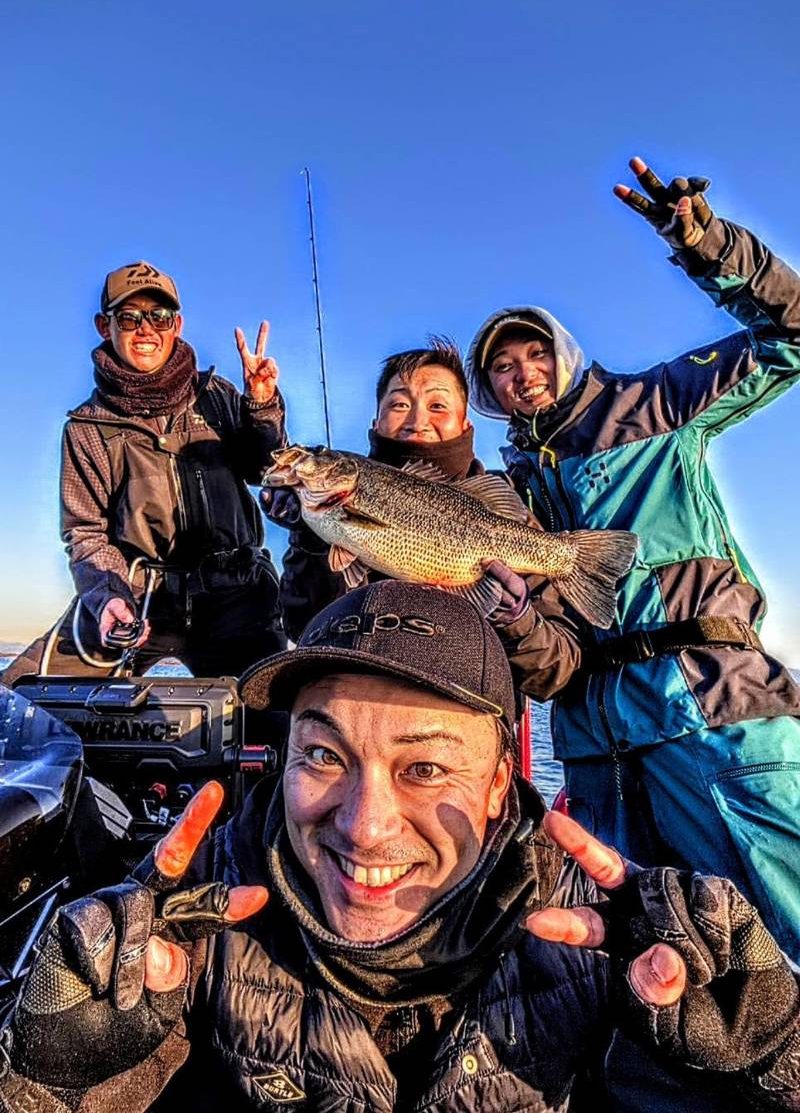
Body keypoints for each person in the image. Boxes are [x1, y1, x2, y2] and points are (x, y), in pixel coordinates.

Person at [3, 581, 800, 1113]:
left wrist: (761, 1052)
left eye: (423, 768)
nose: (363, 824)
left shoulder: (607, 945)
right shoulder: (191, 933)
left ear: (499, 788)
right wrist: (58, 1078)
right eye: (322, 755)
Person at [465, 157, 800, 962]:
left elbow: (790, 336)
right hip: (596, 752)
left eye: (533, 354)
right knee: (656, 963)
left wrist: (708, 244)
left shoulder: (652, 402)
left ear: (564, 351)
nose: (522, 375)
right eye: (503, 369)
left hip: (714, 712)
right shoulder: (507, 489)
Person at [2, 260, 287, 684]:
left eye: (159, 316)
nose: (146, 328)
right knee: (19, 696)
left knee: (280, 718)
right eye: (130, 317)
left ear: (177, 324)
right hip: (138, 596)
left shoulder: (218, 395)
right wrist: (108, 598)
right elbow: (86, 534)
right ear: (105, 326)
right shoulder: (86, 427)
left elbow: (265, 469)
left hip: (237, 594)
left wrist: (262, 407)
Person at [265, 337, 581, 703]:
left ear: (464, 423)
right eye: (400, 403)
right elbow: (304, 628)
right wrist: (309, 539)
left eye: (437, 405)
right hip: (358, 710)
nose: (417, 420)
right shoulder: (330, 513)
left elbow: (558, 672)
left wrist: (517, 620)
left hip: (463, 724)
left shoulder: (501, 509)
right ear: (376, 420)